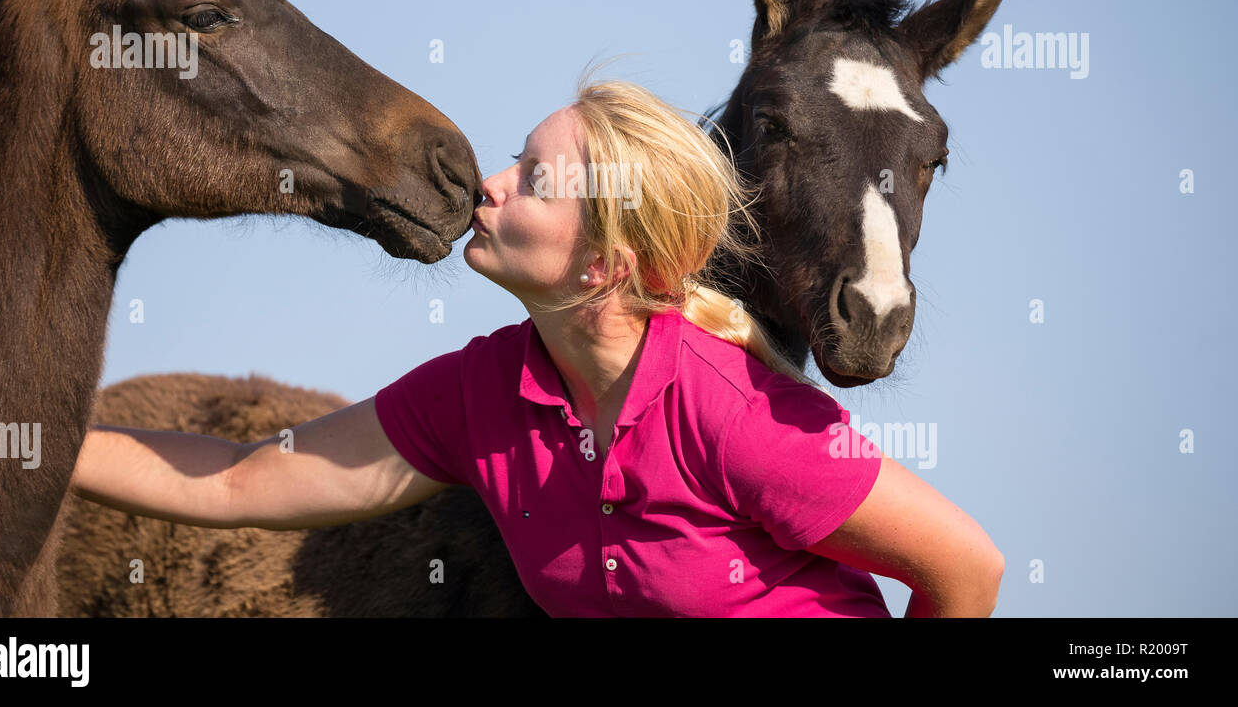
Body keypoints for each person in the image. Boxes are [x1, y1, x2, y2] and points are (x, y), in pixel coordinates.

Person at [70, 73, 1003, 617]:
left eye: (536, 175)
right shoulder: (481, 395)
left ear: (604, 260)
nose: (490, 180)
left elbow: (967, 566)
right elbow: (240, 481)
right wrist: (31, 445)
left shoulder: (734, 413)